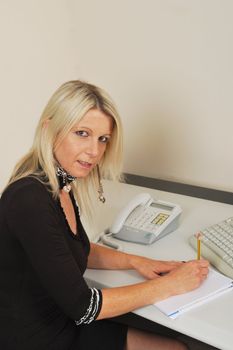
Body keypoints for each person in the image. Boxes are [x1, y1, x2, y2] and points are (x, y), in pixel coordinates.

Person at [0, 80, 209, 350]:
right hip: (37, 339)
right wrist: (170, 285)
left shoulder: (58, 184)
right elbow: (83, 307)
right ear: (49, 129)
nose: (95, 151)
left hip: (60, 322)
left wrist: (138, 262)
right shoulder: (29, 199)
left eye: (103, 139)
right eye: (82, 133)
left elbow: (77, 251)